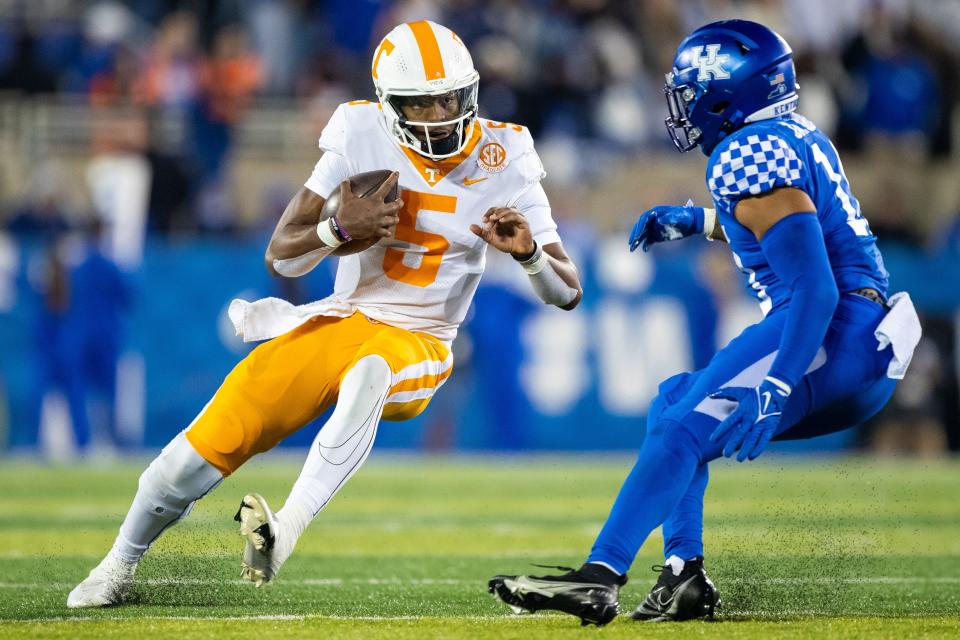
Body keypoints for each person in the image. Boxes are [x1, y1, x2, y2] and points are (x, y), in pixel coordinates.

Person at [67, 20, 582, 608]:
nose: (441, 113)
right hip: (339, 320)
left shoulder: (506, 152)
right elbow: (281, 257)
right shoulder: (359, 131)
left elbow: (567, 291)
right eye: (424, 101)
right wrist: (336, 229)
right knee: (195, 451)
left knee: (370, 372)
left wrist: (531, 255)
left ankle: (284, 530)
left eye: (451, 96)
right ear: (390, 106)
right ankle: (117, 566)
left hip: (421, 341)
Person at [489, 19, 921, 626]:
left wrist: (778, 383)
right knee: (673, 403)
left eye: (692, 89)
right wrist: (702, 224)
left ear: (730, 91)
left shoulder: (746, 152)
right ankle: (682, 576)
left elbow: (815, 287)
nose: (685, 103)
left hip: (830, 330)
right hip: (858, 337)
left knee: (681, 433)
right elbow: (792, 232)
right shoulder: (787, 133)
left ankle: (600, 576)